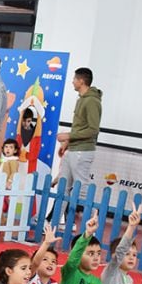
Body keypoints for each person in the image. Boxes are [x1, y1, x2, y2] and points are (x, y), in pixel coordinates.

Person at [54, 67, 101, 197]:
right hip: (74, 149)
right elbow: (81, 126)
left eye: (74, 79)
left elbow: (93, 129)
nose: (72, 82)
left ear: (81, 81)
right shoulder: (82, 99)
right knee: (63, 187)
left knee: (81, 188)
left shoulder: (91, 101)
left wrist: (69, 136)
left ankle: (92, 217)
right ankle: (55, 218)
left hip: (83, 150)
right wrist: (68, 142)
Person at [102, 207, 142, 284]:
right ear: (113, 256)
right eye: (127, 254)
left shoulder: (130, 280)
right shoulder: (111, 272)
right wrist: (131, 227)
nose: (131, 257)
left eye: (134, 255)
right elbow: (120, 251)